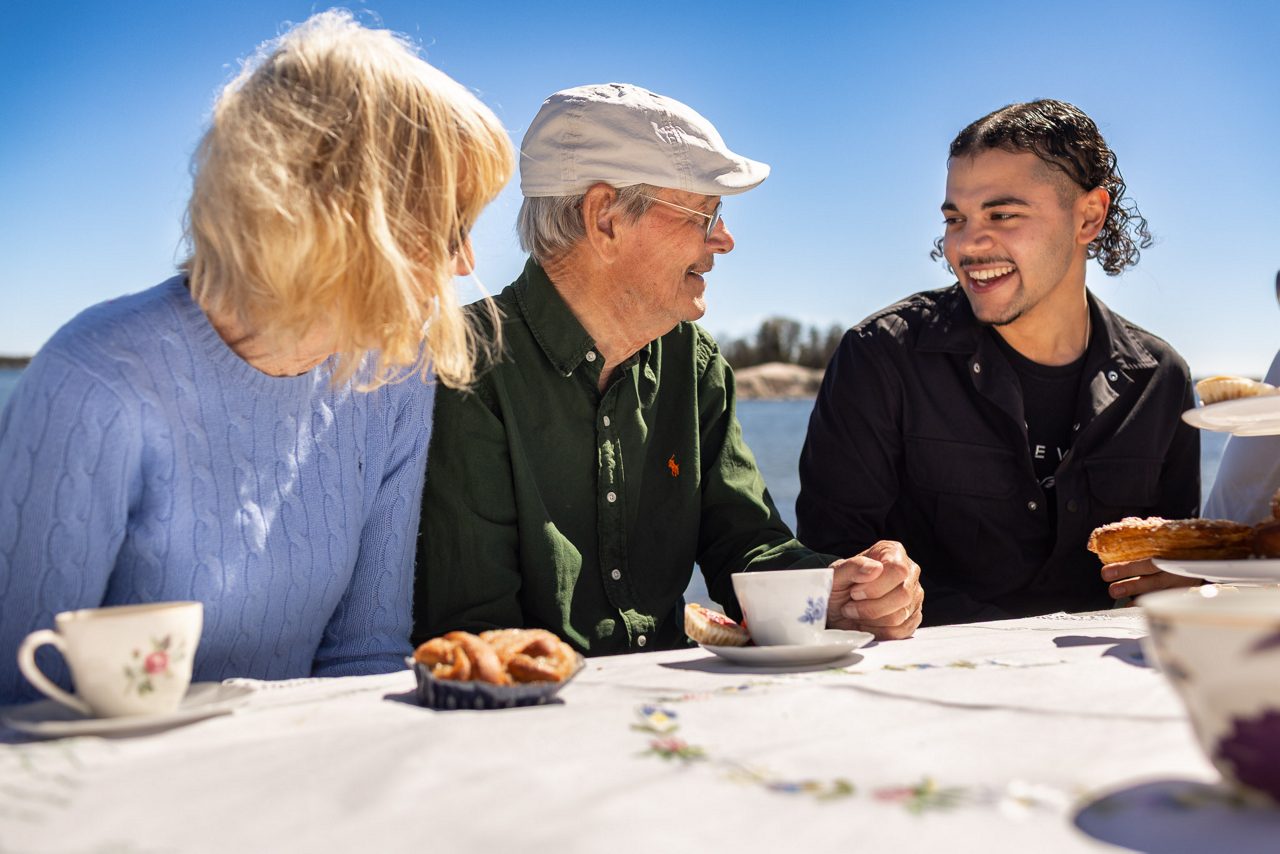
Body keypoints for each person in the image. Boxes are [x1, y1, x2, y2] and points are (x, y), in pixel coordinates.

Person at [0, 11, 513, 703]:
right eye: (451, 226)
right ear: (344, 212)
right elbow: (18, 699)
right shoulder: (94, 379)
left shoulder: (396, 370)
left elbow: (365, 651)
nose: (465, 264)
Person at [414, 83, 923, 654]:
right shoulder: (461, 365)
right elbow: (480, 638)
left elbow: (746, 547)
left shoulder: (695, 363)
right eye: (704, 215)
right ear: (604, 218)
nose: (724, 241)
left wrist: (838, 590)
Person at [797, 99, 1199, 626]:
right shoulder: (881, 356)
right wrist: (867, 591)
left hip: (1103, 690)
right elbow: (829, 563)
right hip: (927, 688)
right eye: (955, 219)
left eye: (1002, 214)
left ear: (1089, 217)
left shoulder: (1161, 380)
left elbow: (1174, 567)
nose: (967, 244)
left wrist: (1188, 578)